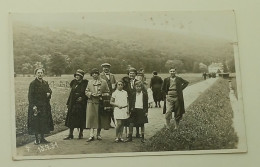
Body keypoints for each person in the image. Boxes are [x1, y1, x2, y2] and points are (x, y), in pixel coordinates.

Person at [27, 68, 54, 145]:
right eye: (38, 73)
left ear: (43, 74)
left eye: (41, 73)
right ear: (35, 74)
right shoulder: (33, 84)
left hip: (44, 106)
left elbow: (49, 90)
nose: (40, 74)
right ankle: (36, 139)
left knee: (43, 122)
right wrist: (33, 106)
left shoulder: (45, 83)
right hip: (36, 106)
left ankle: (42, 138)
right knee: (36, 122)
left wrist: (49, 94)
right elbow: (30, 96)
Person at [85, 68, 110, 142]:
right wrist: (91, 94)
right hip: (91, 102)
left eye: (96, 73)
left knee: (99, 119)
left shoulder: (104, 82)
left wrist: (101, 95)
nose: (94, 75)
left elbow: (108, 92)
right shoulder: (89, 82)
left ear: (98, 74)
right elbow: (86, 91)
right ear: (91, 75)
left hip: (100, 102)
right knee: (91, 118)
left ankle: (98, 134)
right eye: (93, 73)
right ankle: (91, 135)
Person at [64, 69, 88, 140]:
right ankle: (70, 134)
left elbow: (86, 93)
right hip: (73, 103)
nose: (77, 76)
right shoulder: (73, 82)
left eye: (79, 75)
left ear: (82, 76)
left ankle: (81, 133)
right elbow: (71, 94)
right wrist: (68, 103)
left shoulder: (85, 83)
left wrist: (83, 98)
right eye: (76, 75)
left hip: (81, 104)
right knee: (71, 118)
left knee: (81, 118)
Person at [122, 67, 141, 138]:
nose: (131, 75)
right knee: (129, 117)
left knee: (137, 117)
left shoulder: (138, 82)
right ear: (128, 74)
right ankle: (128, 133)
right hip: (128, 102)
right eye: (130, 73)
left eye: (133, 73)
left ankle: (138, 133)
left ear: (135, 74)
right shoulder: (125, 82)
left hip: (137, 102)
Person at [100, 63, 117, 127]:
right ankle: (106, 124)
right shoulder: (100, 75)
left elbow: (114, 84)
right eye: (104, 67)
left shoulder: (112, 76)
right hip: (104, 95)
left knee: (112, 108)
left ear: (109, 68)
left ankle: (114, 123)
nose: (106, 68)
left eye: (107, 67)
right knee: (105, 109)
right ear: (102, 68)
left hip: (112, 94)